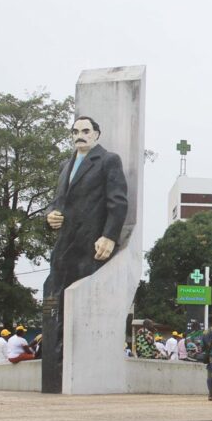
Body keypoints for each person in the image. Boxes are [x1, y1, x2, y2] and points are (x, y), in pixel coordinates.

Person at [43, 116, 129, 388]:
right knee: (55, 305)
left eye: (86, 131)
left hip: (90, 245)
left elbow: (117, 201)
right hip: (63, 248)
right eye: (75, 131)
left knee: (81, 307)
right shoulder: (65, 165)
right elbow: (57, 202)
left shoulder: (107, 160)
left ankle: (80, 371)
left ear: (96, 134)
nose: (80, 135)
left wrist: (109, 236)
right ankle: (55, 371)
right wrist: (50, 215)